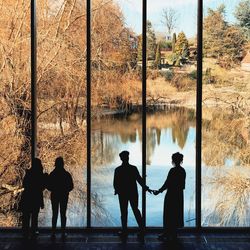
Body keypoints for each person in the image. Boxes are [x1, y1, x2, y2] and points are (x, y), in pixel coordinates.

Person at [113, 151, 152, 238]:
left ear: (121, 158)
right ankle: (142, 229)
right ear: (128, 158)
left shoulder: (118, 170)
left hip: (122, 194)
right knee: (136, 210)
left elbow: (115, 183)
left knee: (123, 212)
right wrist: (146, 188)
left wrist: (117, 190)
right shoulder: (133, 168)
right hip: (133, 193)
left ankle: (124, 231)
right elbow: (139, 180)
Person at [153, 152, 186, 241]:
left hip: (171, 195)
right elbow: (182, 186)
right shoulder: (183, 171)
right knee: (176, 213)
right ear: (181, 160)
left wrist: (159, 191)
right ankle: (174, 234)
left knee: (168, 213)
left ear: (173, 160)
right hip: (179, 195)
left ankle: (166, 233)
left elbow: (167, 183)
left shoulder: (172, 171)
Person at [47, 157, 74, 239]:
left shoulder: (52, 174)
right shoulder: (66, 174)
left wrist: (54, 189)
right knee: (63, 214)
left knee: (54, 214)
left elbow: (48, 186)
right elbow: (71, 186)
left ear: (56, 164)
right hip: (64, 196)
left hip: (55, 195)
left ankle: (53, 232)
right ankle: (63, 232)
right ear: (63, 164)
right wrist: (65, 190)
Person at [20, 158, 47, 238]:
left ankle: (25, 232)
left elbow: (25, 185)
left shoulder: (28, 174)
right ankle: (34, 231)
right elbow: (41, 188)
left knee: (26, 216)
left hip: (27, 197)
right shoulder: (40, 175)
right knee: (35, 216)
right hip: (36, 198)